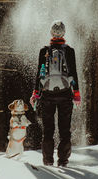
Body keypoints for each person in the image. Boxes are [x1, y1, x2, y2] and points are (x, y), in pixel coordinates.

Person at [30, 20, 81, 167]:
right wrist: (76, 94)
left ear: (51, 33)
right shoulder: (69, 51)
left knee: (48, 130)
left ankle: (48, 161)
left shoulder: (44, 51)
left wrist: (36, 93)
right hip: (65, 94)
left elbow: (39, 75)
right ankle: (63, 161)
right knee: (65, 130)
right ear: (64, 33)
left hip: (47, 95)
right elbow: (73, 73)